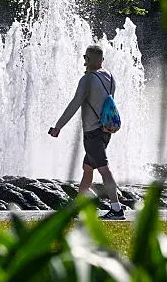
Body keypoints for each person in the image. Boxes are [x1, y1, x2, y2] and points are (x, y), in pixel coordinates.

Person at [49, 44, 124, 220]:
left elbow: (75, 104)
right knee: (87, 170)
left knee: (104, 169)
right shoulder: (111, 77)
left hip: (93, 133)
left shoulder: (87, 80)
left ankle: (116, 209)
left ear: (87, 59)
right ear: (102, 60)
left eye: (85, 58)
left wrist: (58, 126)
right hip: (106, 130)